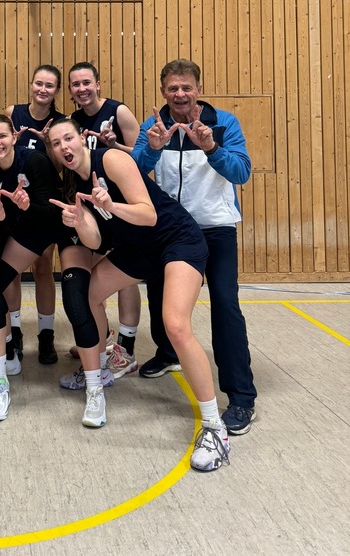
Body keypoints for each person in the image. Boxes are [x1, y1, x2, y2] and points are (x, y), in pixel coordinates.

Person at [48, 118, 230, 472]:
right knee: (88, 296)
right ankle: (100, 369)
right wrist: (79, 221)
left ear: (80, 139)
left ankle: (214, 427)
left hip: (175, 239)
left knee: (175, 326)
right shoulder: (73, 185)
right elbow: (97, 242)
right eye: (55, 144)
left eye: (68, 138)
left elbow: (147, 215)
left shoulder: (111, 161)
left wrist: (110, 206)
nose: (63, 147)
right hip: (137, 249)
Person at [133, 58, 257, 437]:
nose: (180, 94)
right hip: (170, 231)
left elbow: (242, 172)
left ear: (198, 89)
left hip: (215, 228)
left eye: (186, 87)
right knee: (160, 296)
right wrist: (152, 149)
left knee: (225, 305)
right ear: (163, 91)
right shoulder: (152, 126)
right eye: (172, 88)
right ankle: (169, 354)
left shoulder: (224, 123)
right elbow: (133, 171)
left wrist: (212, 148)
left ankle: (240, 396)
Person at [0, 114, 65, 420]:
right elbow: (6, 219)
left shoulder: (35, 161)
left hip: (41, 229)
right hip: (16, 227)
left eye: (1, 136)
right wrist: (1, 216)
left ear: (14, 136)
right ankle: (8, 355)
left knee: (4, 281)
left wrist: (25, 208)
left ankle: (27, 347)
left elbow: (50, 216)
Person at [67, 61, 141, 379]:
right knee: (96, 274)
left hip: (122, 205)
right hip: (95, 208)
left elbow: (143, 156)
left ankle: (126, 347)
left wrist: (114, 145)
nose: (82, 88)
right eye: (75, 84)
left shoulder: (118, 111)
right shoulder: (71, 121)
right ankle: (105, 339)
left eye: (87, 82)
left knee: (125, 276)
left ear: (98, 84)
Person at [4, 64, 66, 365]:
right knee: (11, 270)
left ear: (56, 91)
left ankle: (46, 335)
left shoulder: (62, 122)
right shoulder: (13, 113)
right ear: (31, 84)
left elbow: (63, 165)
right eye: (38, 83)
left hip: (43, 204)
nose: (43, 89)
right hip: (13, 202)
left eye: (50, 85)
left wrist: (47, 143)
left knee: (43, 268)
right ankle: (14, 332)